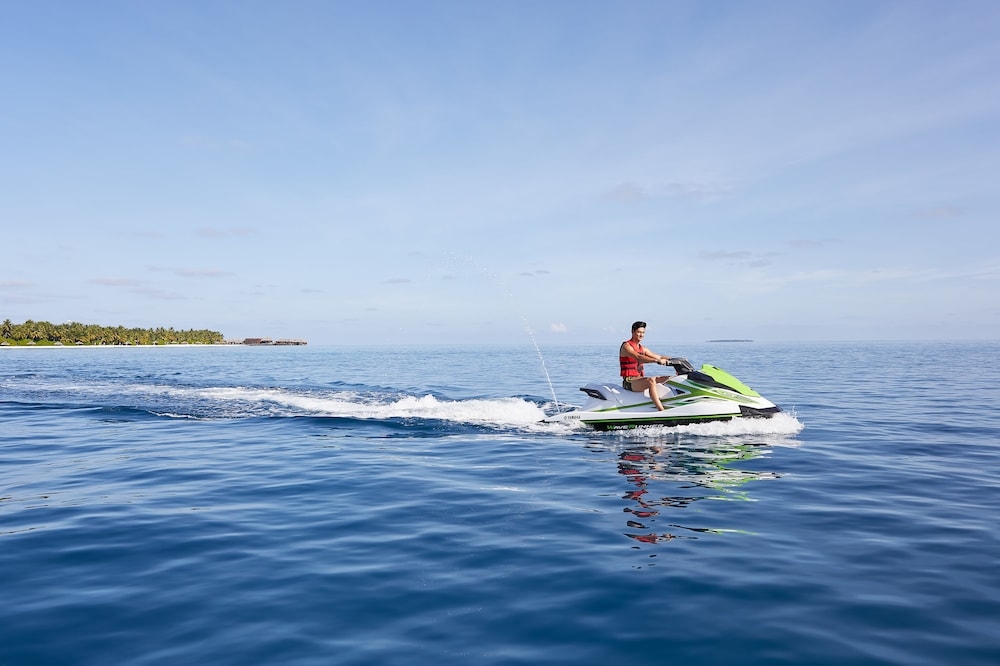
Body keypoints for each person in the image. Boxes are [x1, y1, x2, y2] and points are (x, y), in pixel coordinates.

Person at [620, 321, 675, 411]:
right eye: (638, 332)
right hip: (629, 381)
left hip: (639, 379)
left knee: (670, 379)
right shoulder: (626, 346)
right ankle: (661, 411)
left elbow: (659, 356)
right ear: (632, 332)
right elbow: (638, 357)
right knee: (651, 381)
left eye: (643, 332)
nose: (641, 335)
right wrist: (656, 361)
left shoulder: (643, 348)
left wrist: (676, 360)